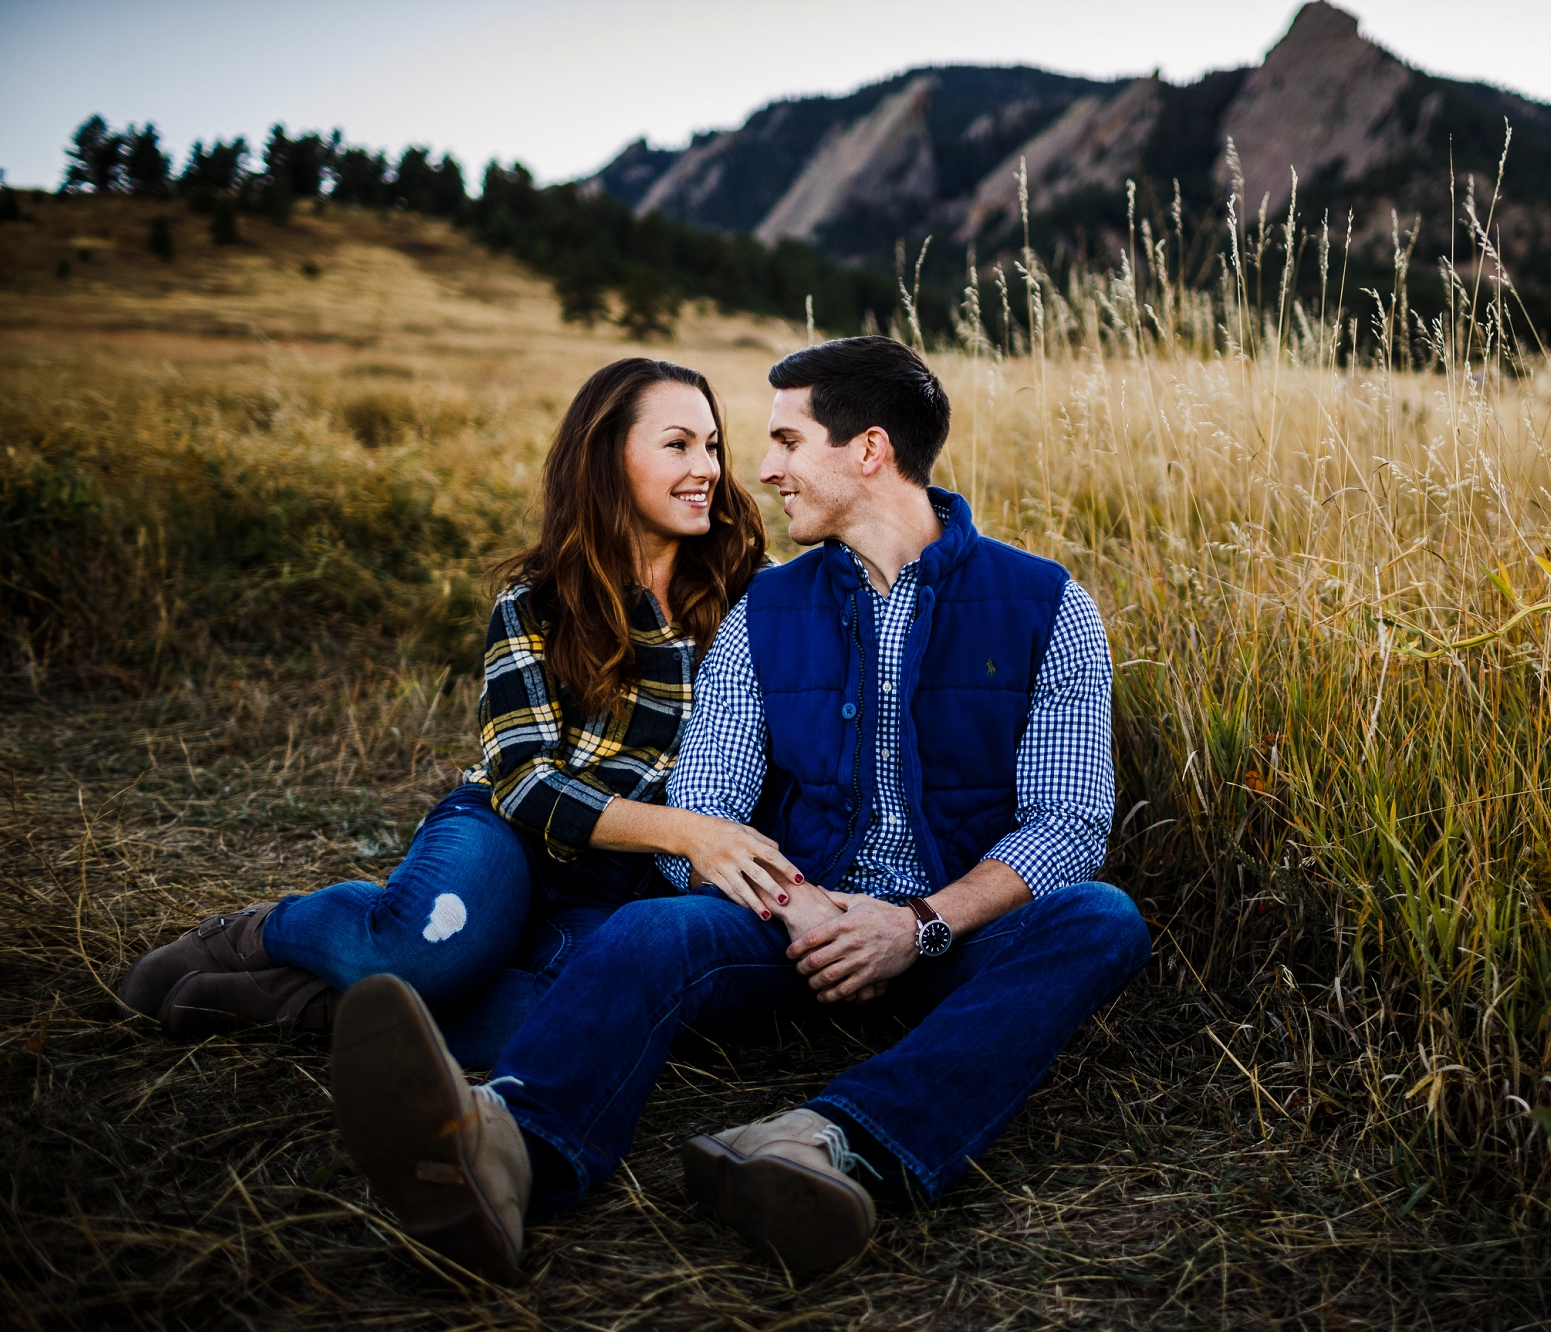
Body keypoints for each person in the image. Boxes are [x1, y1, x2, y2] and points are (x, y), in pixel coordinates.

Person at [326, 336, 1152, 1281]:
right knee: (646, 931)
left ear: (869, 450)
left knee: (1102, 918)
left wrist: (917, 925)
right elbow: (704, 810)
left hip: (948, 932)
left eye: (787, 442)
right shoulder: (765, 611)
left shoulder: (1046, 604)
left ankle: (823, 1144)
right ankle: (505, 1147)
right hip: (785, 926)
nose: (757, 470)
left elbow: (1071, 821)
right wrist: (796, 904)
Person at [116, 358, 802, 1068]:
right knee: (426, 952)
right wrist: (689, 833)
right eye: (678, 444)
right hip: (507, 835)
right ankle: (261, 933)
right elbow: (525, 781)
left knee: (579, 1011)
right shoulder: (539, 601)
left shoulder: (754, 594)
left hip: (622, 880)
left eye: (714, 445)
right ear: (608, 460)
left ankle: (305, 1007)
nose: (709, 468)